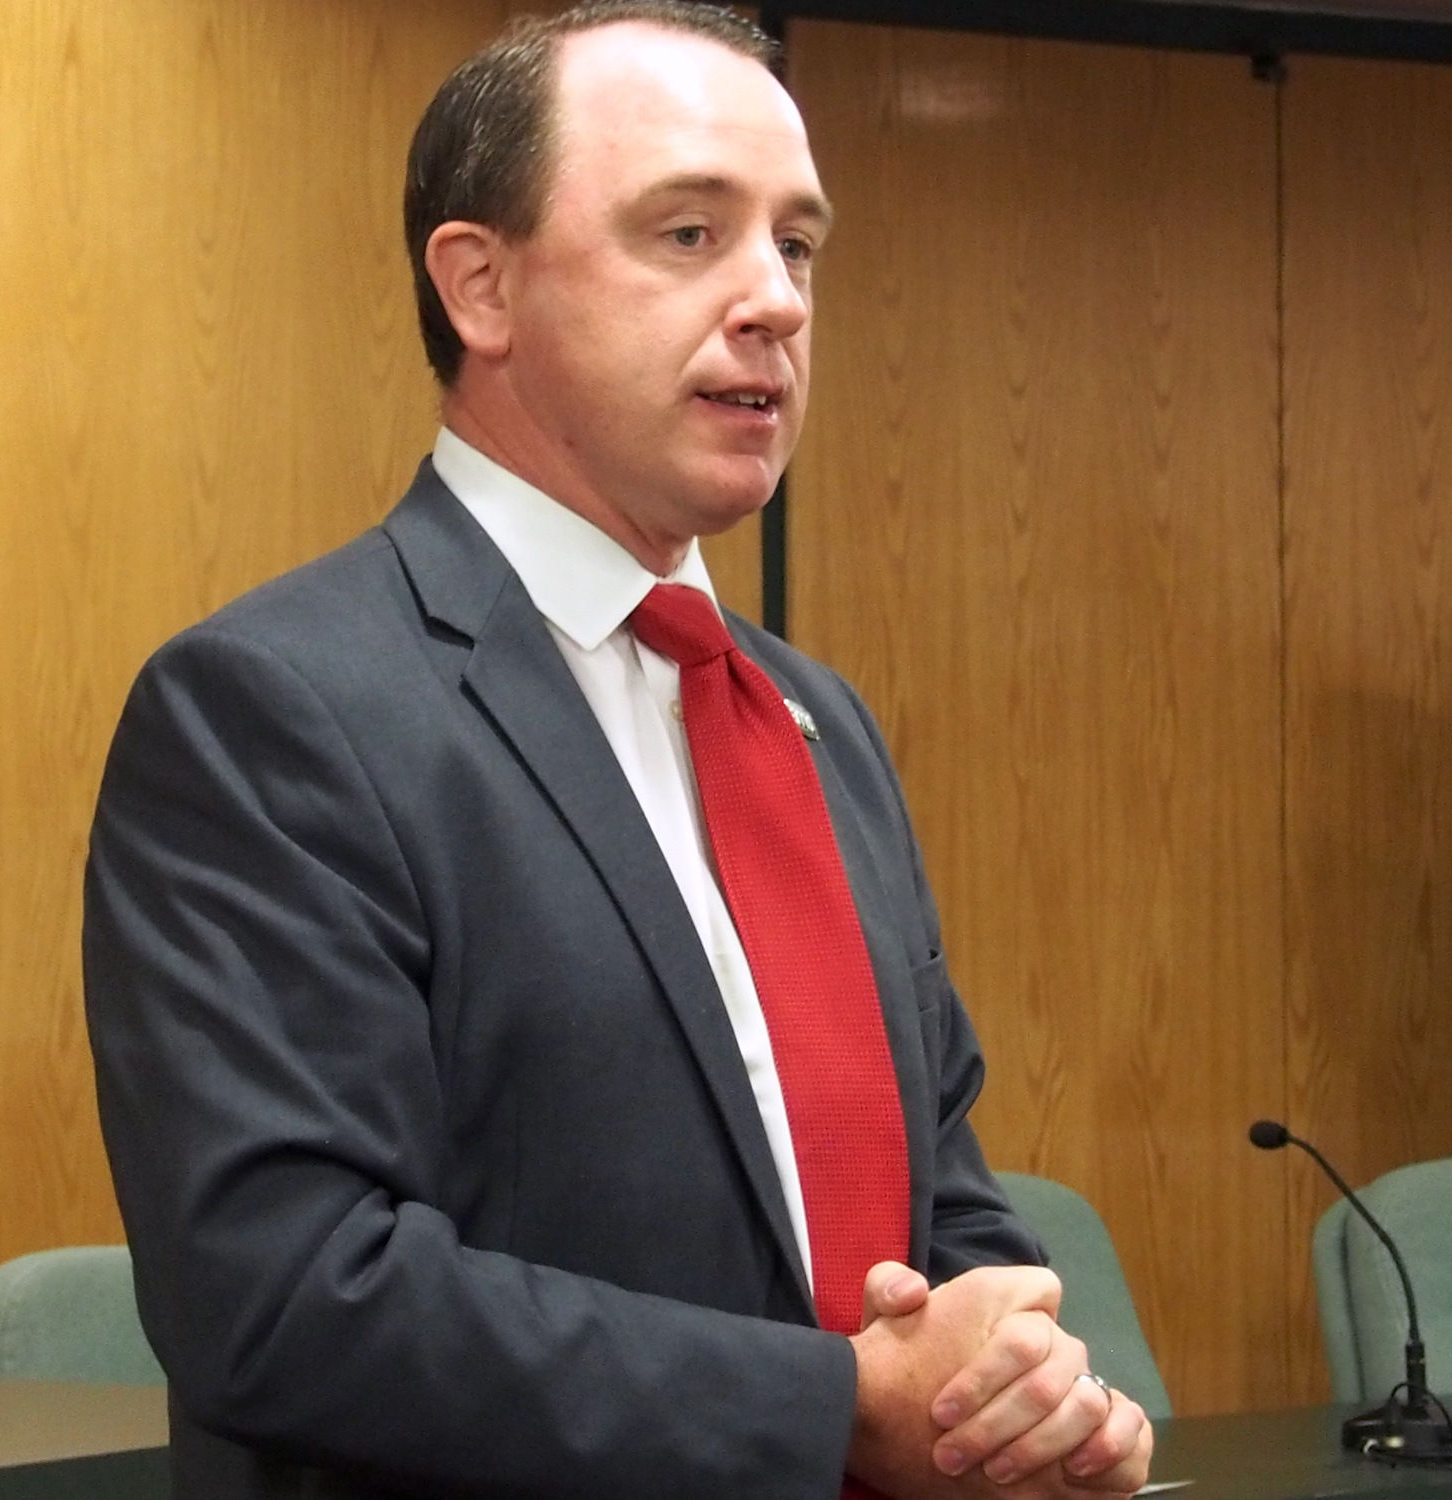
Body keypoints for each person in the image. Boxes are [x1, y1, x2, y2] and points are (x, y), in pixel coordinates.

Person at [82, 4, 1154, 1497]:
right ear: (481, 286)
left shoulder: (813, 723)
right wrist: (831, 1406)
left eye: (798, 245)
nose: (773, 299)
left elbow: (934, 1197)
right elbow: (284, 1295)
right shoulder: (276, 711)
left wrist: (1023, 1387)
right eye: (689, 234)